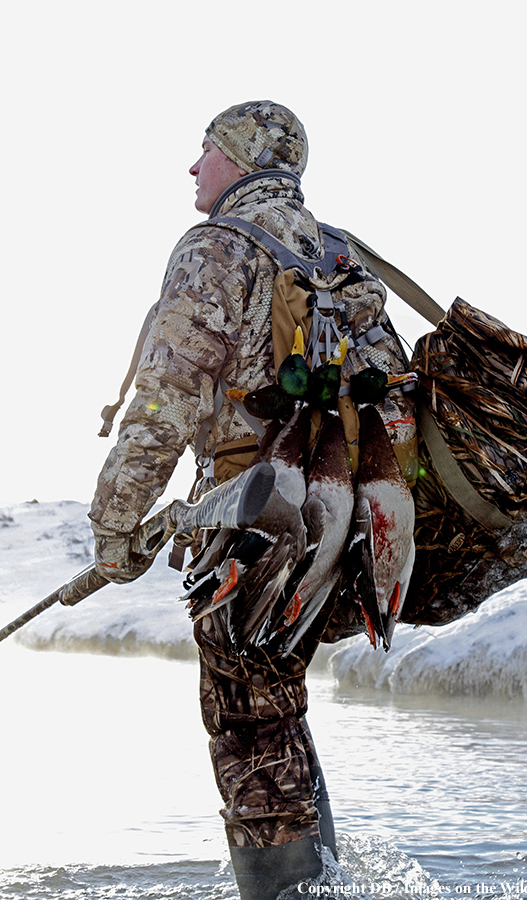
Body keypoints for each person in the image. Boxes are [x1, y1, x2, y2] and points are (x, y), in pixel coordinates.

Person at [89, 100, 412, 899]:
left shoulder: (217, 249)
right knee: (274, 707)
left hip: (252, 525)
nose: (193, 167)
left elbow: (167, 397)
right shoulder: (341, 255)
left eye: (205, 150)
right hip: (339, 531)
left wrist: (115, 522)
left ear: (241, 158)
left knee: (245, 721)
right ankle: (326, 884)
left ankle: (289, 893)